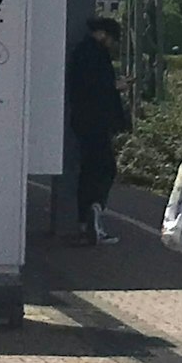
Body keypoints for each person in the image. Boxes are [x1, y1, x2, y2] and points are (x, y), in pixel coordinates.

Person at [64, 15, 128, 245]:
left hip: (81, 121)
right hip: (97, 122)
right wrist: (116, 87)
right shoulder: (98, 55)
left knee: (87, 170)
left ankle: (85, 220)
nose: (111, 44)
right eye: (111, 38)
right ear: (103, 34)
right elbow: (99, 89)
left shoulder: (79, 53)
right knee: (105, 168)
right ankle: (95, 211)